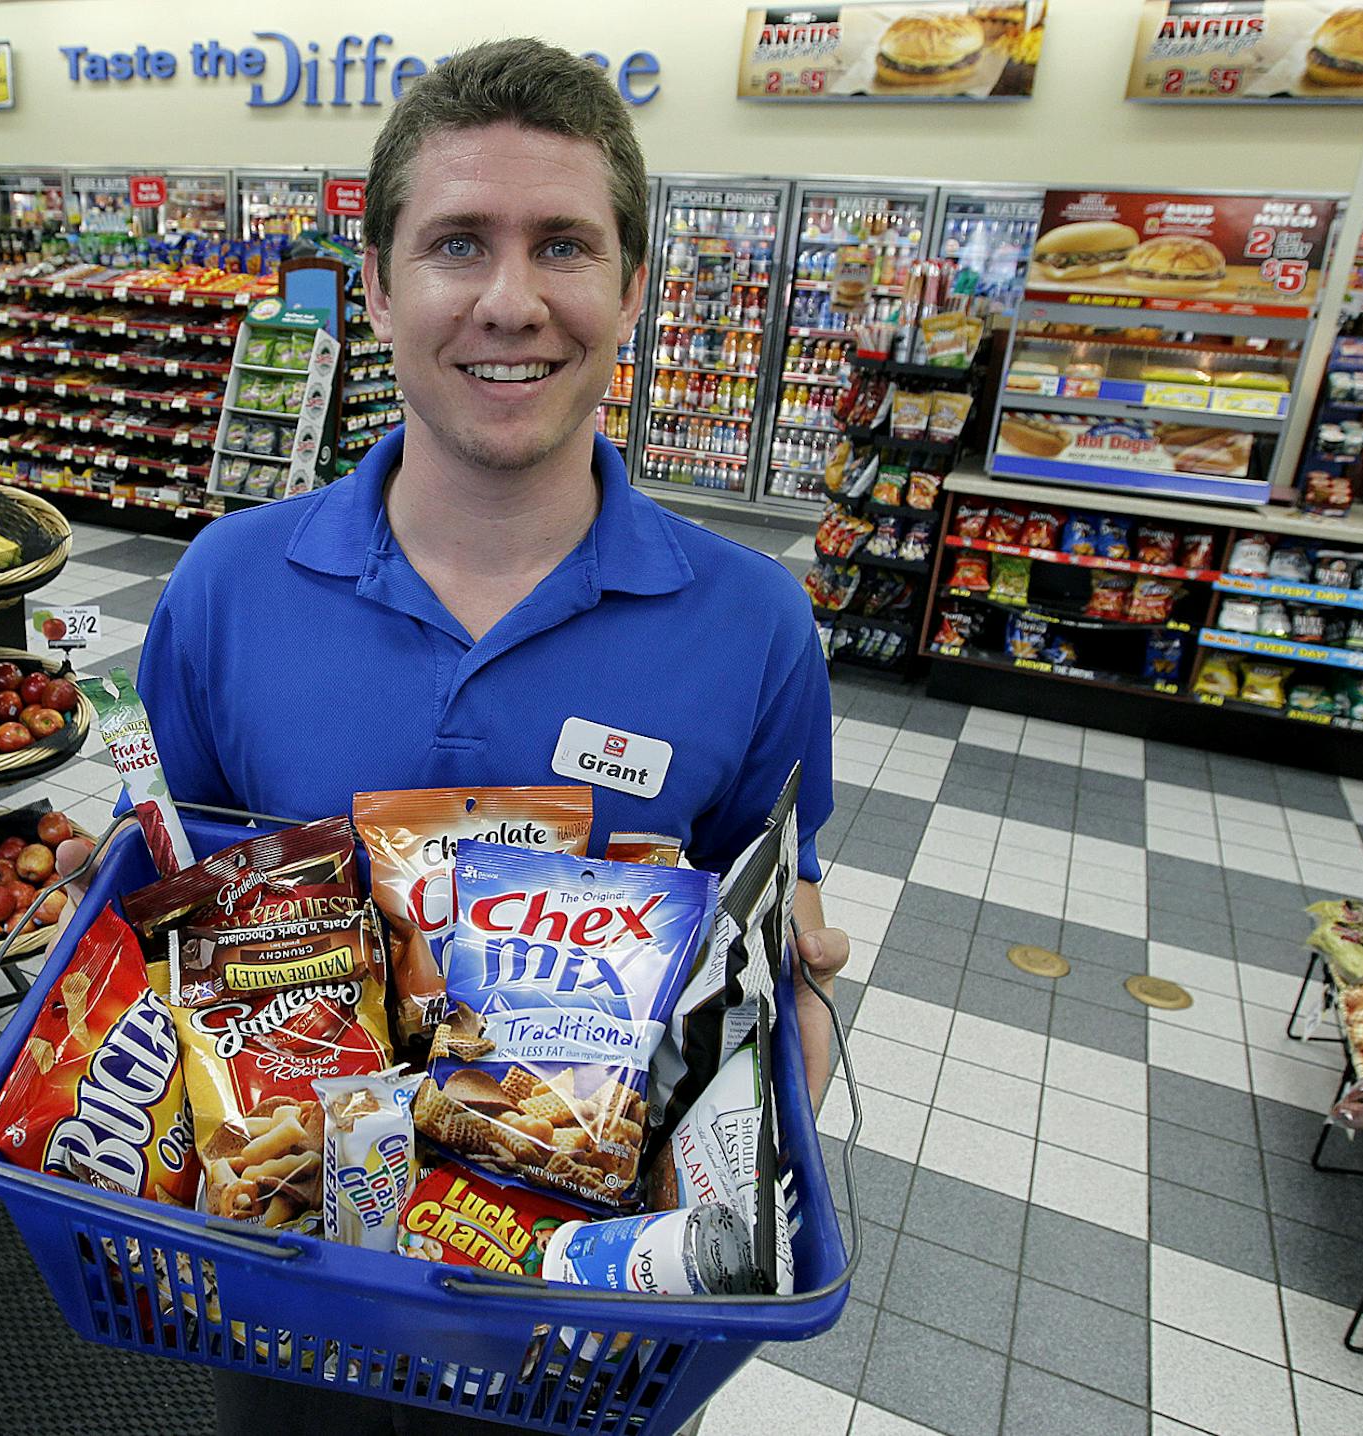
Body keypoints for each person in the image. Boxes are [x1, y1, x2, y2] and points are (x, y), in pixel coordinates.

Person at [139, 38, 850, 1432]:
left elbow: (778, 954)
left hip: (595, 1335)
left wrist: (800, 1011)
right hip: (294, 1323)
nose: (511, 302)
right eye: (459, 243)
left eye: (564, 247)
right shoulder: (225, 584)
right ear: (380, 284)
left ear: (633, 291)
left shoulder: (758, 622)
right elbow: (167, 907)